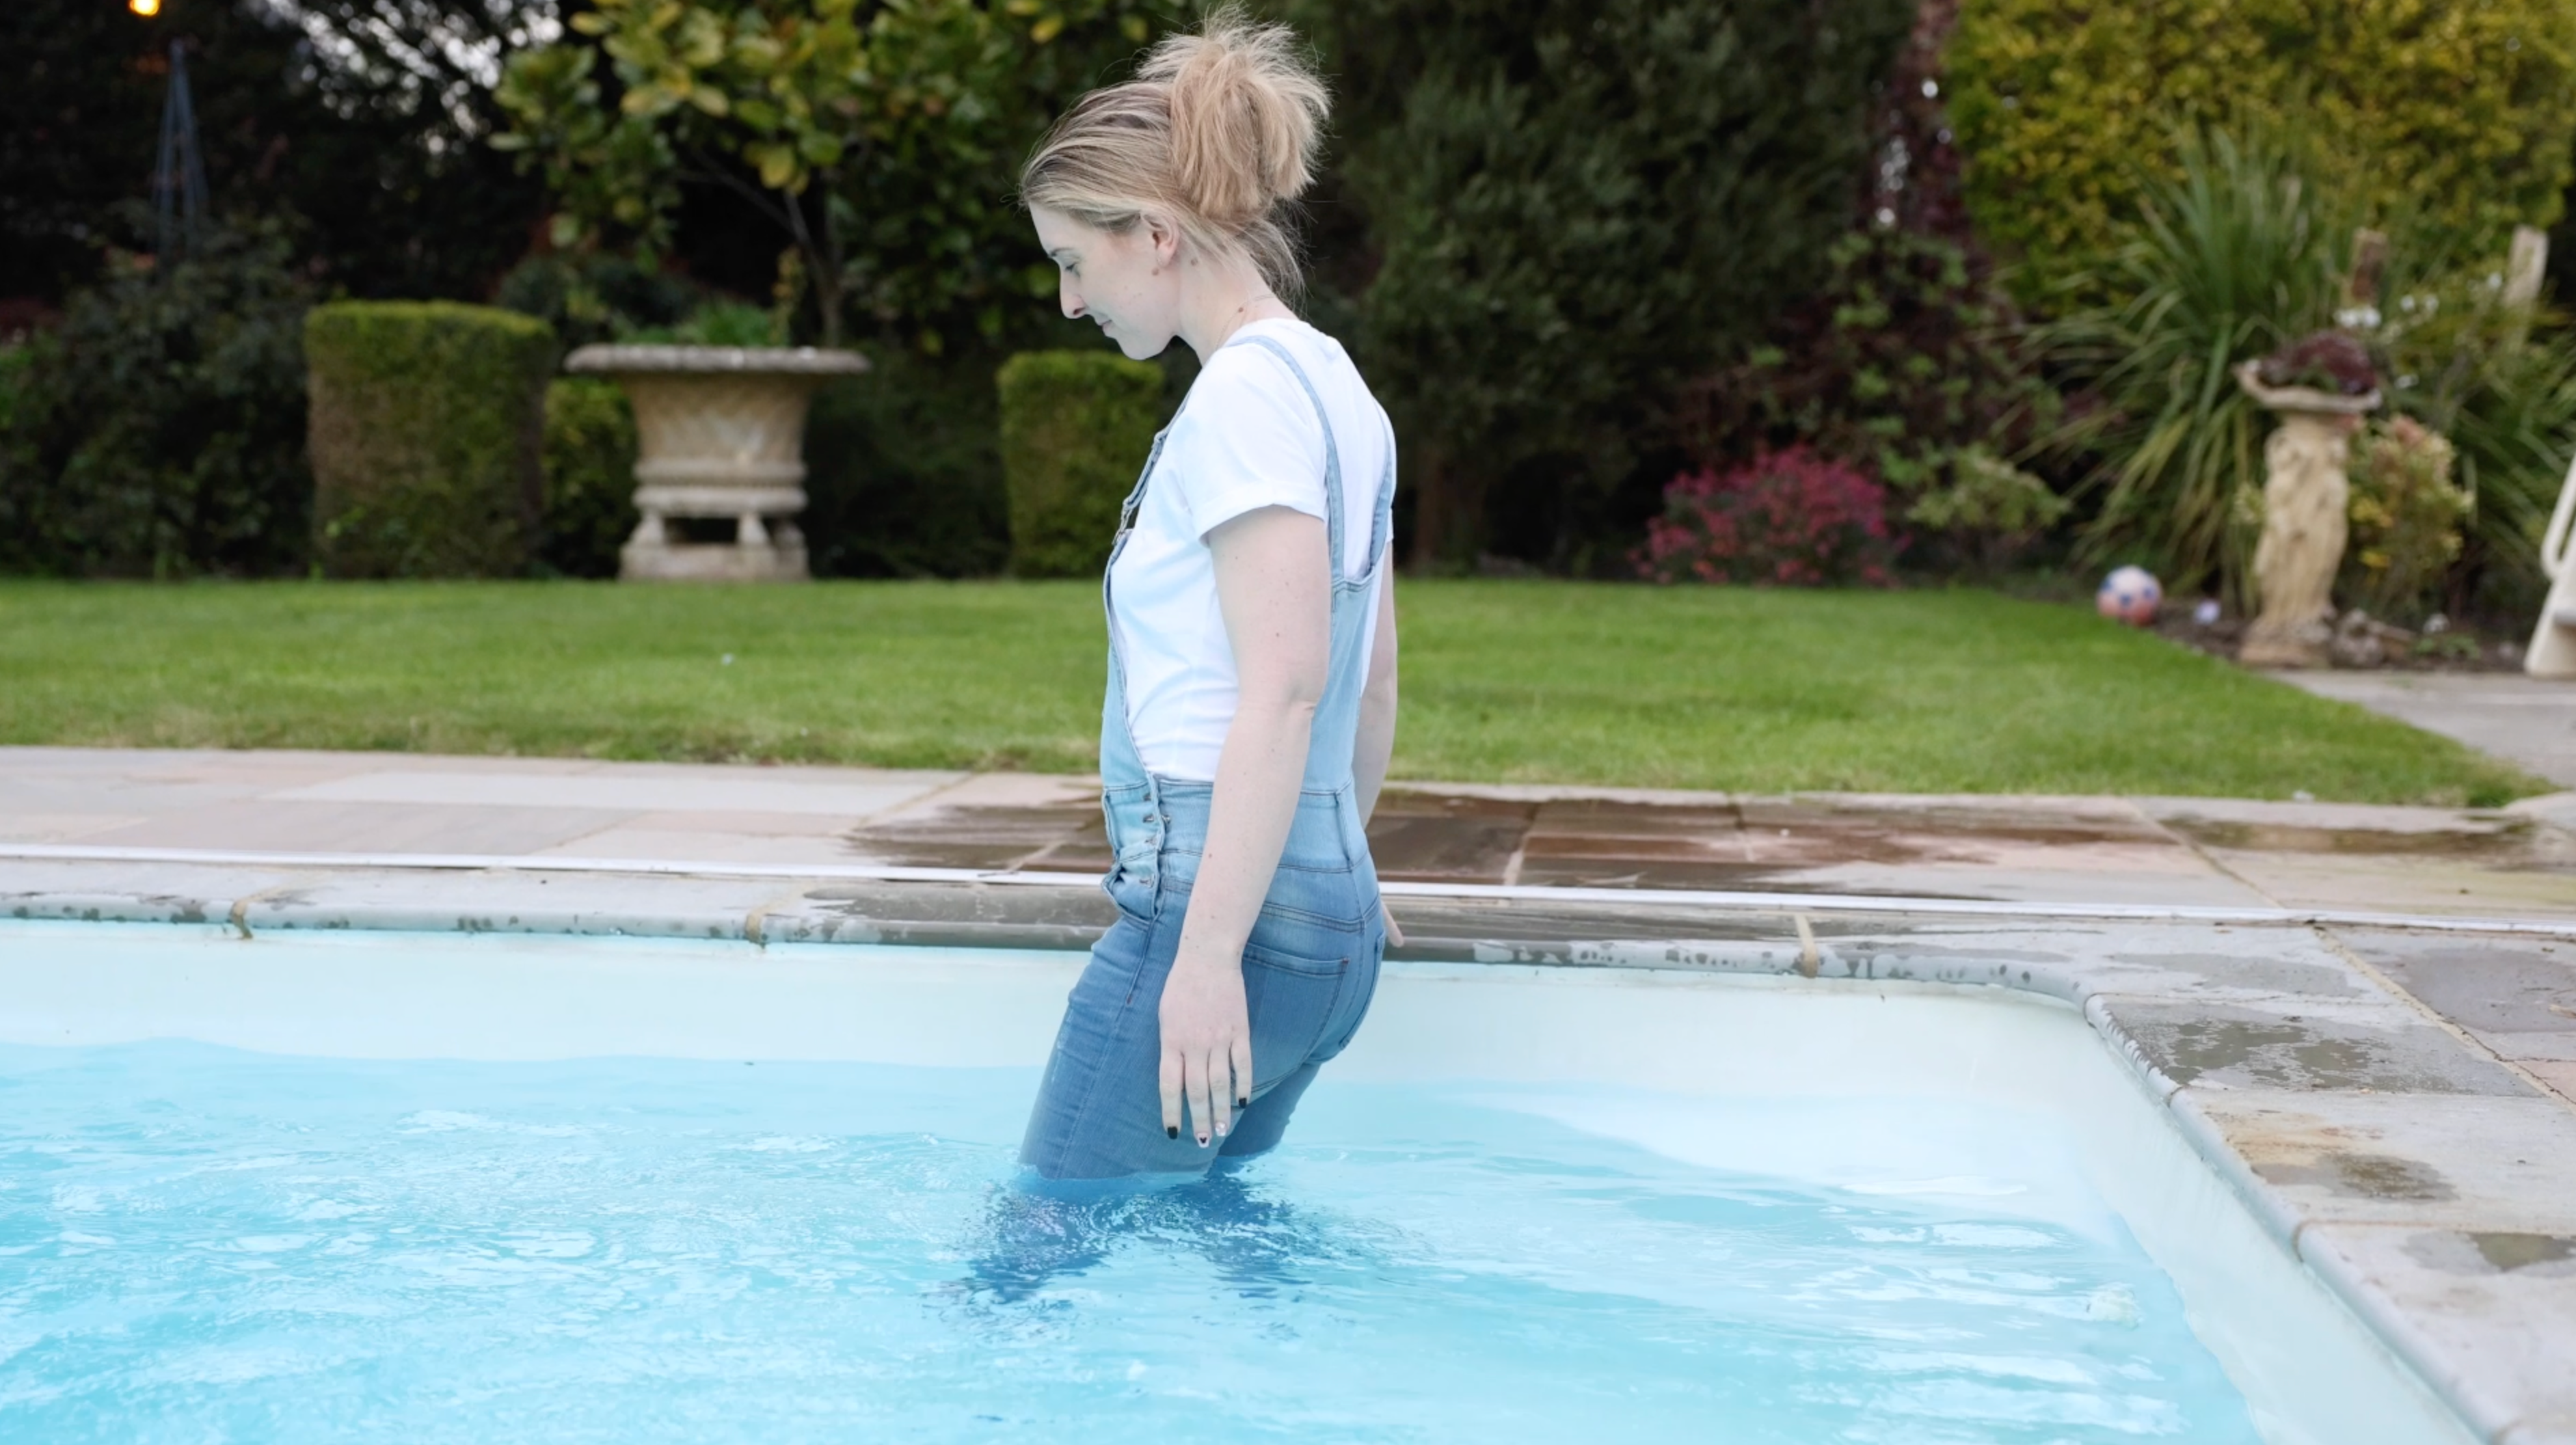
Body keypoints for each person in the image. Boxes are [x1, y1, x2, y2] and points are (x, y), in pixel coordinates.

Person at [1014, 10, 1401, 1184]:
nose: (1072, 304)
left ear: (1157, 235)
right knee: (1211, 1240)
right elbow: (1369, 675)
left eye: (1076, 263)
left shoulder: (1242, 401)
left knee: (1034, 1249)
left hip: (1217, 925)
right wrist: (1342, 876)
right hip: (1331, 930)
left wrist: (1207, 956)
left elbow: (1285, 693)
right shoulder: (1336, 381)